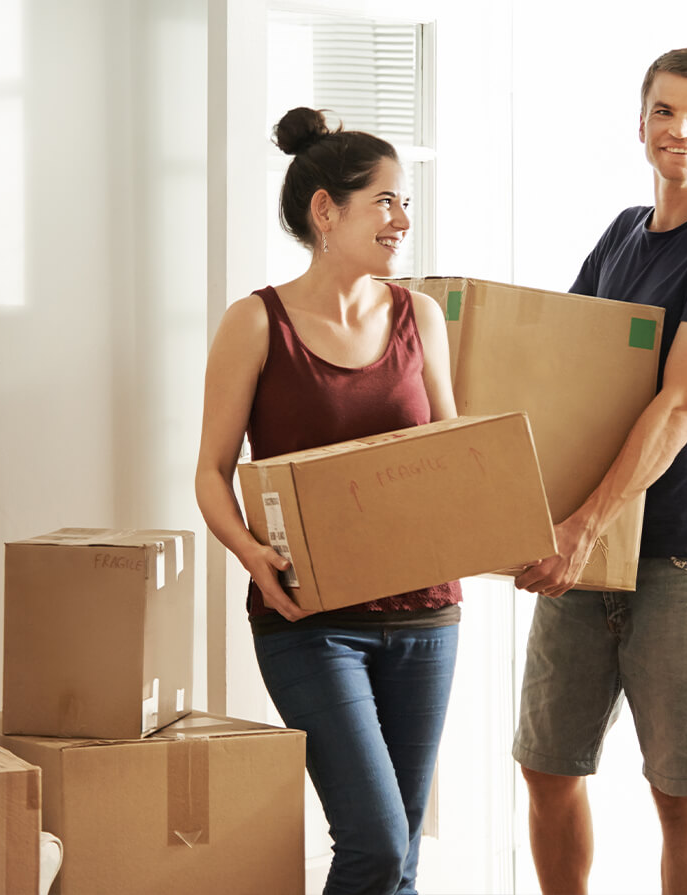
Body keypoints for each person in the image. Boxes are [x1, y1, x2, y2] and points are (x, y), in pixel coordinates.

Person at [512, 48, 687, 895]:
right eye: (666, 111)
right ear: (640, 125)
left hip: (676, 558)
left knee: (680, 790)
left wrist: (582, 525)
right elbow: (569, 379)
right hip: (582, 551)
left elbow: (679, 407)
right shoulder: (621, 235)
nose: (682, 130)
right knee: (548, 768)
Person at [195, 107, 461, 895]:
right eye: (384, 201)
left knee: (401, 851)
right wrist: (251, 553)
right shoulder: (255, 323)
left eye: (403, 201)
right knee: (375, 842)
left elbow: (448, 458)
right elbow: (211, 471)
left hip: (424, 617)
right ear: (325, 210)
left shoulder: (422, 316)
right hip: (309, 623)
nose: (402, 220)